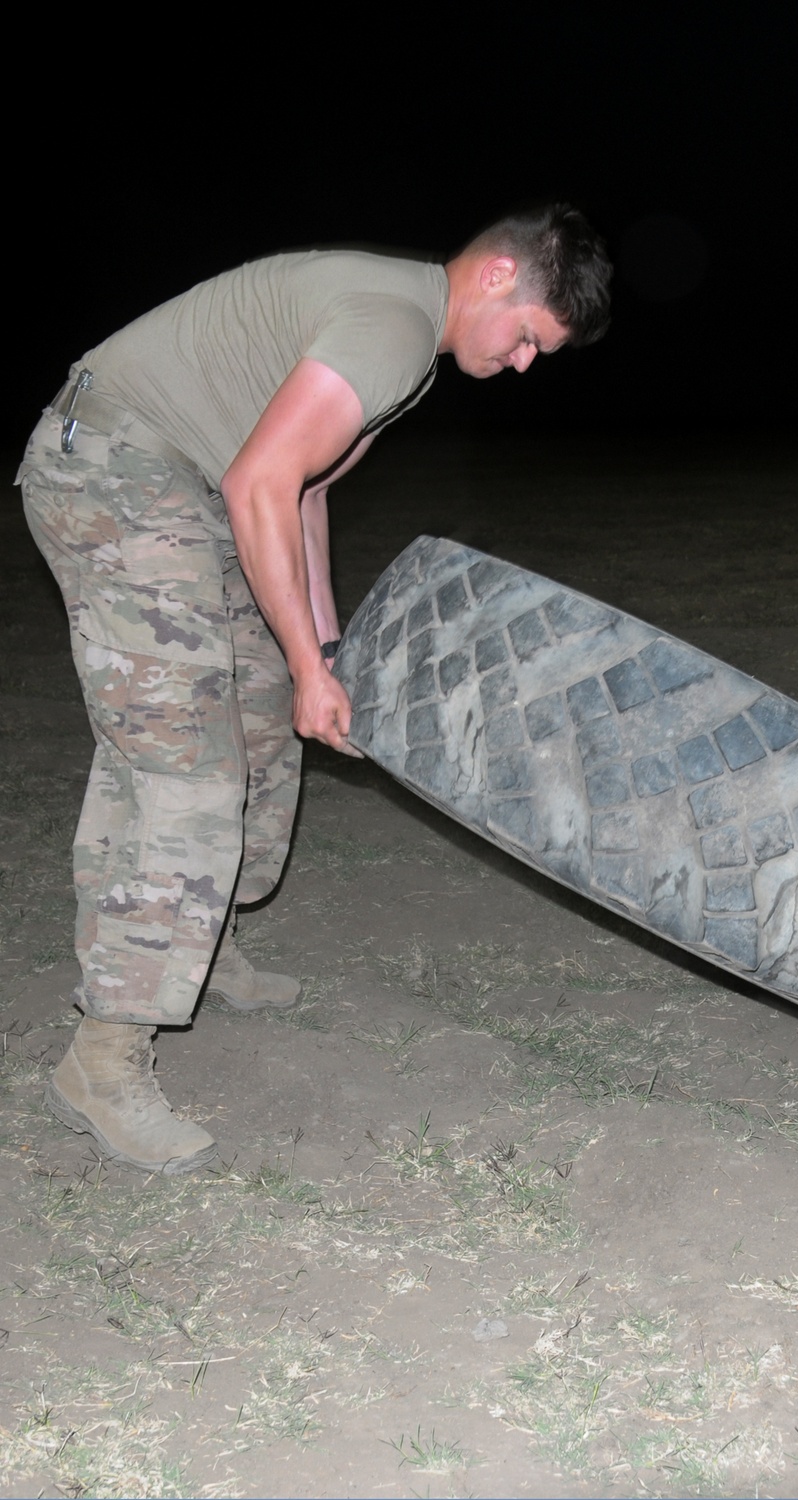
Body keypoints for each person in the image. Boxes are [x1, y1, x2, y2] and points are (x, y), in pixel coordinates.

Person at [17, 204, 612, 1175]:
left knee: (259, 709)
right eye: (528, 341)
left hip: (191, 486)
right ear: (498, 277)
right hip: (118, 466)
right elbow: (262, 478)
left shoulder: (408, 345)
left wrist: (323, 648)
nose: (522, 365)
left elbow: (303, 492)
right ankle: (104, 1058)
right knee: (185, 764)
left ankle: (203, 947)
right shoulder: (392, 324)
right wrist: (303, 662)